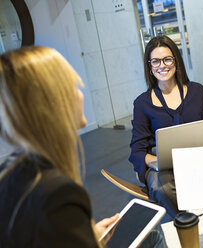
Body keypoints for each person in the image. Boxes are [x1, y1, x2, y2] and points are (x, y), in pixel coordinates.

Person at [0, 46, 166, 248]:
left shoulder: (9, 172)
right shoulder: (57, 194)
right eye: (74, 87)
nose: (81, 95)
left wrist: (86, 236)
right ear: (55, 103)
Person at [129, 35, 203, 217]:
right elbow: (137, 150)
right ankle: (190, 222)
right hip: (163, 167)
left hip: (196, 159)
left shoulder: (197, 91)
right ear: (149, 67)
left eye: (167, 59)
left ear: (176, 61)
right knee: (161, 188)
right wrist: (155, 162)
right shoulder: (142, 103)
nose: (162, 65)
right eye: (156, 61)